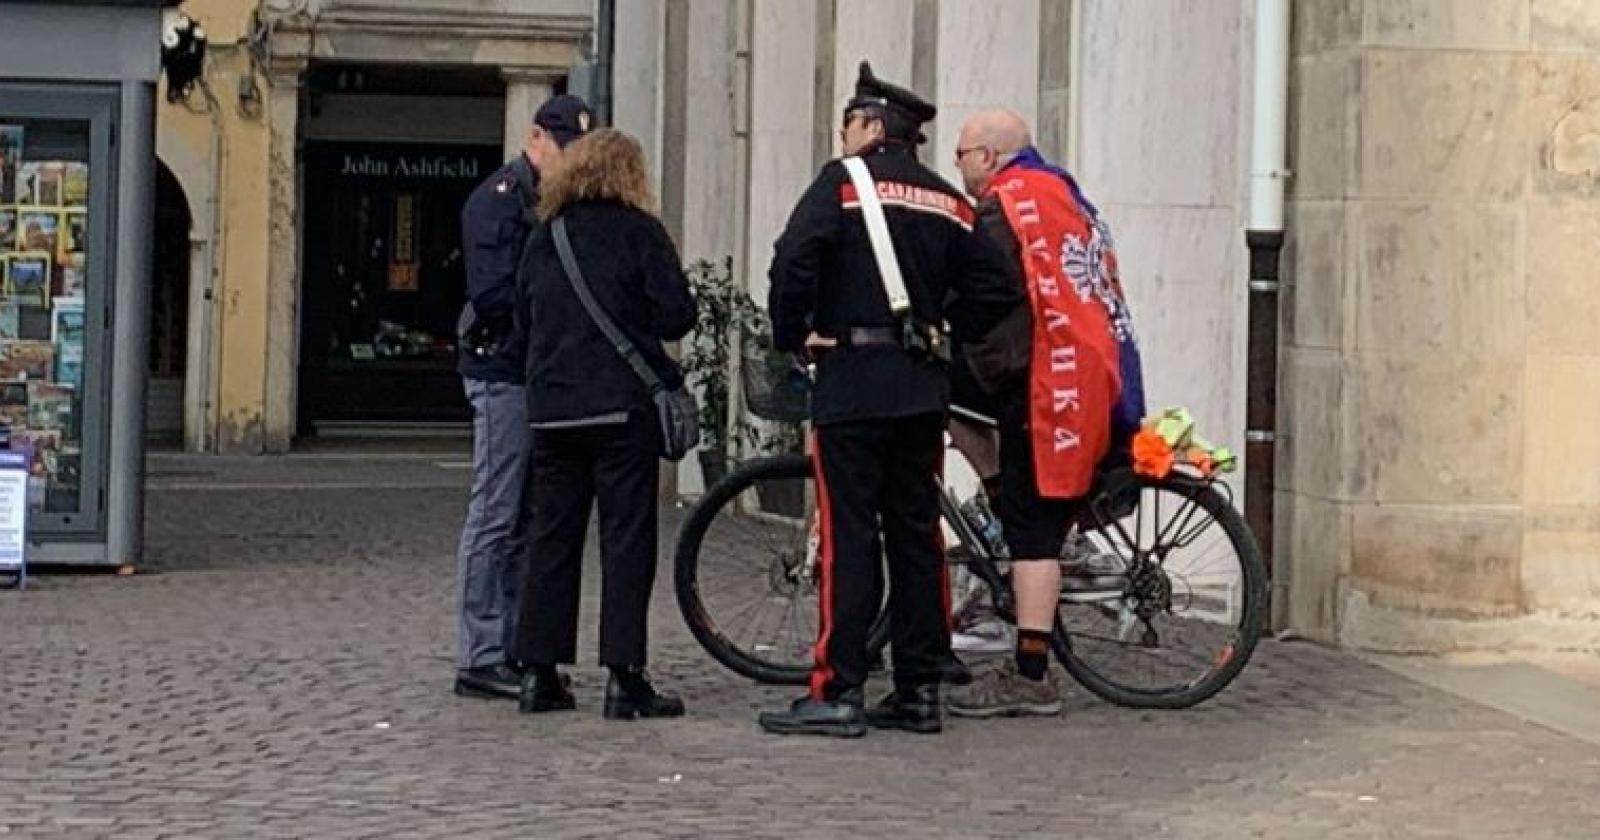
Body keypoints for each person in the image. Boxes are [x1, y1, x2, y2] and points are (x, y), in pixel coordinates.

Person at [756, 62, 1020, 738]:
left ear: (871, 126)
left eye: (848, 121)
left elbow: (792, 263)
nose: (842, 133)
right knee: (916, 538)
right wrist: (944, 329)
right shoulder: (949, 200)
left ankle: (838, 687)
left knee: (848, 537)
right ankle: (918, 688)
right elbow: (997, 287)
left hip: (851, 378)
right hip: (921, 387)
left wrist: (794, 333)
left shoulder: (841, 183)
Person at [944, 109, 1146, 717]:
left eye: (962, 154)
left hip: (1048, 377)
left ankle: (1030, 675)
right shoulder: (1059, 190)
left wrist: (937, 313)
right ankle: (1005, 498)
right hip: (1091, 366)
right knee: (1020, 498)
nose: (958, 166)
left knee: (1032, 529)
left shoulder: (1005, 206)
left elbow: (982, 288)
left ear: (989, 155)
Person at [509, 128, 697, 720]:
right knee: (626, 542)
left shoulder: (545, 237)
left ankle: (538, 672)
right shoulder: (640, 233)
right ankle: (624, 676)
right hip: (621, 409)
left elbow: (523, 322)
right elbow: (678, 314)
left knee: (550, 540)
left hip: (553, 411)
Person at [452, 94, 593, 700]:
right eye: (565, 149)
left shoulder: (556, 203)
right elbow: (495, 298)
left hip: (535, 373)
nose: (571, 162)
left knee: (527, 516)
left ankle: (513, 646)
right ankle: (481, 652)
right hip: (502, 369)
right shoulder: (499, 202)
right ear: (537, 139)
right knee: (496, 509)